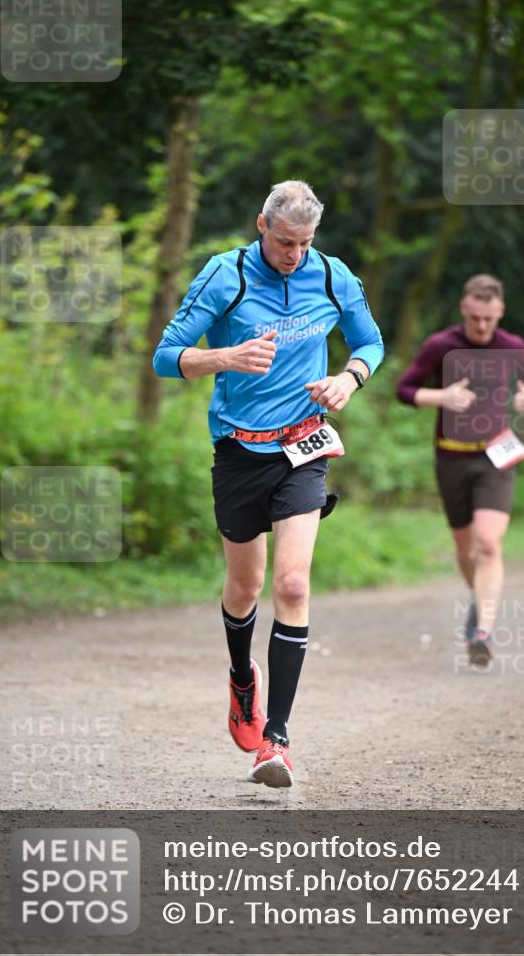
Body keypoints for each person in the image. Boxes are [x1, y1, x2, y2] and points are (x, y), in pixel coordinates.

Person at [153, 180, 384, 786]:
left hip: (303, 447)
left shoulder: (331, 276)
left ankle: (275, 741)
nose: (294, 254)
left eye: (305, 243)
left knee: (292, 583)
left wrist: (349, 378)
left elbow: (370, 341)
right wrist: (225, 357)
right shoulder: (224, 276)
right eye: (285, 242)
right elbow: (165, 355)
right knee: (245, 585)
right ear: (262, 226)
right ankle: (241, 680)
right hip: (238, 450)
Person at [396, 274, 524, 666]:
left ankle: (483, 633)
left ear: (500, 312)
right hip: (451, 457)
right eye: (475, 317)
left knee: (488, 544)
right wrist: (441, 396)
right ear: (464, 308)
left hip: (496, 456)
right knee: (465, 550)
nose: (481, 326)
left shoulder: (511, 346)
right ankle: (481, 599)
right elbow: (404, 389)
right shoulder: (440, 346)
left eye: (488, 318)